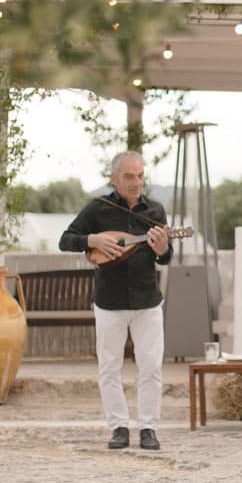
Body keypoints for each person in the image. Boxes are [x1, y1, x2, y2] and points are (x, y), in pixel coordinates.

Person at [59, 151, 172, 451]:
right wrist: (92, 240)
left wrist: (162, 248)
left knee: (150, 366)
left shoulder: (156, 211)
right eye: (129, 176)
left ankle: (148, 428)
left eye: (140, 176)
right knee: (109, 367)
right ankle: (119, 427)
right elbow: (66, 239)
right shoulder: (98, 209)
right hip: (109, 301)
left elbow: (167, 256)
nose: (136, 183)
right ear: (114, 178)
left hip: (148, 301)